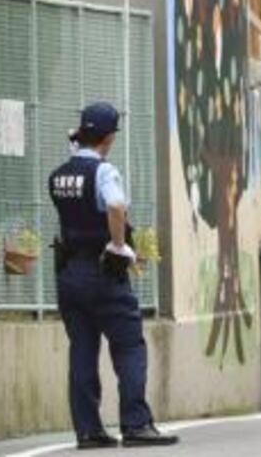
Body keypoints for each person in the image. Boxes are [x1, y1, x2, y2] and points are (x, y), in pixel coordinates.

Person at [49, 102, 178, 449]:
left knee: (82, 350)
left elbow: (76, 166)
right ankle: (136, 425)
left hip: (68, 274)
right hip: (102, 272)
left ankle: (89, 431)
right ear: (109, 138)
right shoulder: (105, 172)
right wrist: (119, 246)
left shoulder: (61, 173)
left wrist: (77, 142)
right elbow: (116, 206)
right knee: (129, 347)